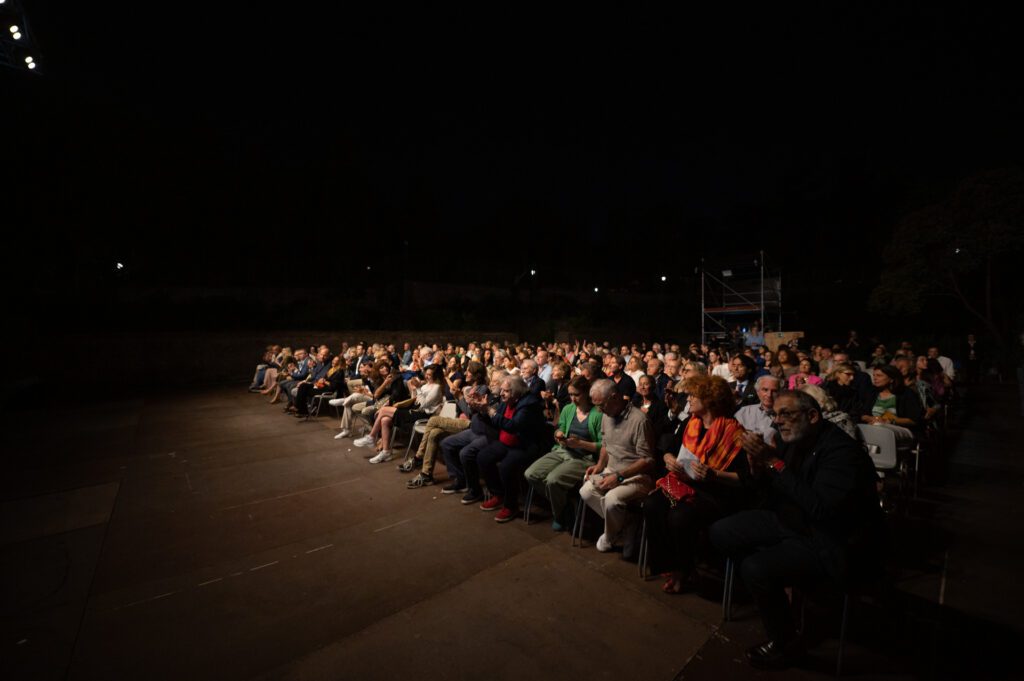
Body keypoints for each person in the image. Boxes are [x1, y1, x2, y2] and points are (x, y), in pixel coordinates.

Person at [710, 391, 884, 670]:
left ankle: (786, 644)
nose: (778, 421)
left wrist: (773, 463)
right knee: (722, 531)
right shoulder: (794, 440)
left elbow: (822, 510)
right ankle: (775, 594)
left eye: (786, 414)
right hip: (791, 520)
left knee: (757, 568)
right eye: (776, 415)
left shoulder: (841, 453)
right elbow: (773, 489)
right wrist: (757, 468)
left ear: (812, 416)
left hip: (830, 538)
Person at [644, 375, 747, 594]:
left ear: (710, 399)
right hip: (683, 484)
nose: (688, 399)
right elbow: (668, 450)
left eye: (693, 395)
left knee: (679, 516)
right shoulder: (690, 423)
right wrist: (668, 459)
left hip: (713, 493)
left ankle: (684, 571)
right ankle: (667, 567)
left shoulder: (734, 432)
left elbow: (743, 478)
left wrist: (714, 474)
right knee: (652, 504)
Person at [580, 379, 655, 553]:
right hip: (611, 470)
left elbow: (648, 459)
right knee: (585, 491)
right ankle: (627, 522)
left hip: (637, 476)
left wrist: (619, 476)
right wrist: (599, 465)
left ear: (614, 397)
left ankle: (609, 535)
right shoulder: (607, 415)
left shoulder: (639, 420)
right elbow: (606, 444)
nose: (599, 410)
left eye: (601, 405)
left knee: (612, 500)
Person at [524, 376, 603, 531]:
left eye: (576, 394)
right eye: (570, 394)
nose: (573, 399)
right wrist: (559, 434)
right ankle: (564, 504)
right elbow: (560, 427)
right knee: (531, 474)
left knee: (553, 480)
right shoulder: (568, 408)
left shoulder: (598, 413)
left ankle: (559, 514)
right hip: (564, 450)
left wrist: (581, 444)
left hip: (585, 457)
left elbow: (603, 446)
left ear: (587, 393)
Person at [475, 375, 546, 523]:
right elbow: (496, 422)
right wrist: (482, 410)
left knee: (506, 467)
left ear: (517, 392)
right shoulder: (507, 401)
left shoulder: (529, 404)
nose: (501, 394)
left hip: (525, 445)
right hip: (507, 442)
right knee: (483, 457)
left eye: (506, 391)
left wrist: (490, 411)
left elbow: (513, 426)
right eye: (502, 390)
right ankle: (498, 494)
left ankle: (511, 506)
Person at [353, 361, 412, 462]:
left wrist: (385, 406)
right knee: (384, 420)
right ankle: (386, 452)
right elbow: (376, 395)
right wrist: (385, 383)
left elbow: (397, 395)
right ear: (378, 371)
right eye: (381, 368)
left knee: (373, 412)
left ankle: (371, 437)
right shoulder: (380, 379)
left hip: (399, 406)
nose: (384, 369)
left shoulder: (396, 377)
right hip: (383, 404)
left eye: (385, 367)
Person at [860, 364, 924, 448]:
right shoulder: (872, 392)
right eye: (874, 375)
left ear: (891, 379)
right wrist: (873, 419)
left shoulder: (906, 394)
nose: (875, 378)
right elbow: (862, 414)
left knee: (878, 428)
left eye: (879, 375)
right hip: (875, 427)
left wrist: (889, 421)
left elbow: (914, 420)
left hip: (902, 429)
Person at [734, 375, 782, 445]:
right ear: (757, 392)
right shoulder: (743, 412)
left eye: (774, 391)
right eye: (765, 390)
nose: (769, 395)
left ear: (780, 393)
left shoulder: (785, 417)